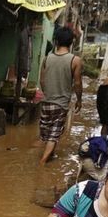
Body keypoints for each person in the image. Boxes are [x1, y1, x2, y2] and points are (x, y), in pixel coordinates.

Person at [38, 26, 83, 166]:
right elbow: (77, 83)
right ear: (71, 42)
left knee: (47, 133)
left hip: (46, 102)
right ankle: (42, 162)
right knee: (54, 133)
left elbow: (42, 81)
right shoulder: (75, 60)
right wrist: (79, 100)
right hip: (61, 104)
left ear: (56, 41)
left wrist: (49, 92)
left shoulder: (47, 59)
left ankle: (50, 154)